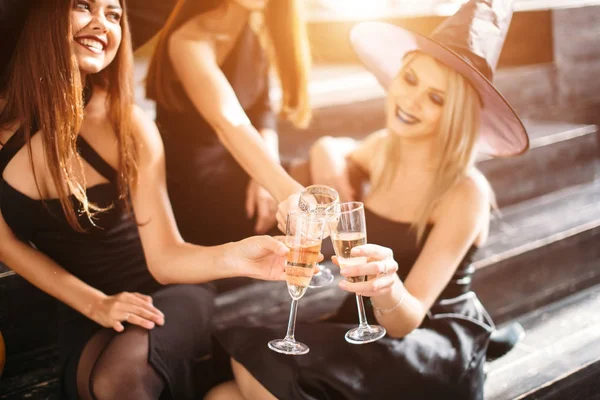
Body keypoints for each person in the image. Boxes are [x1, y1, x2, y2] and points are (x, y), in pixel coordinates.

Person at [205, 1, 529, 399]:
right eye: (410, 79)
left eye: (437, 98)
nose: (410, 101)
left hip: (425, 339)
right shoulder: (381, 149)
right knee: (219, 395)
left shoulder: (465, 193)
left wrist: (388, 286)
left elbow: (407, 321)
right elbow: (333, 147)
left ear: (456, 115)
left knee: (250, 367)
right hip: (363, 319)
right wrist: (327, 158)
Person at [0, 0, 293, 398]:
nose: (102, 23)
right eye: (84, 6)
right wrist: (94, 304)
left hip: (165, 290)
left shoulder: (127, 124)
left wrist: (236, 257)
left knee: (114, 383)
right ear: (40, 16)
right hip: (82, 302)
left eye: (114, 14)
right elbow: (8, 245)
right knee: (92, 387)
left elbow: (166, 259)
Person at [143, 0, 310, 248]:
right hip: (196, 188)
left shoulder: (251, 35)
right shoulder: (187, 39)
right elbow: (228, 120)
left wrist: (265, 176)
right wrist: (282, 188)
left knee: (329, 166)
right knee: (310, 194)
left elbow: (263, 112)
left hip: (245, 166)